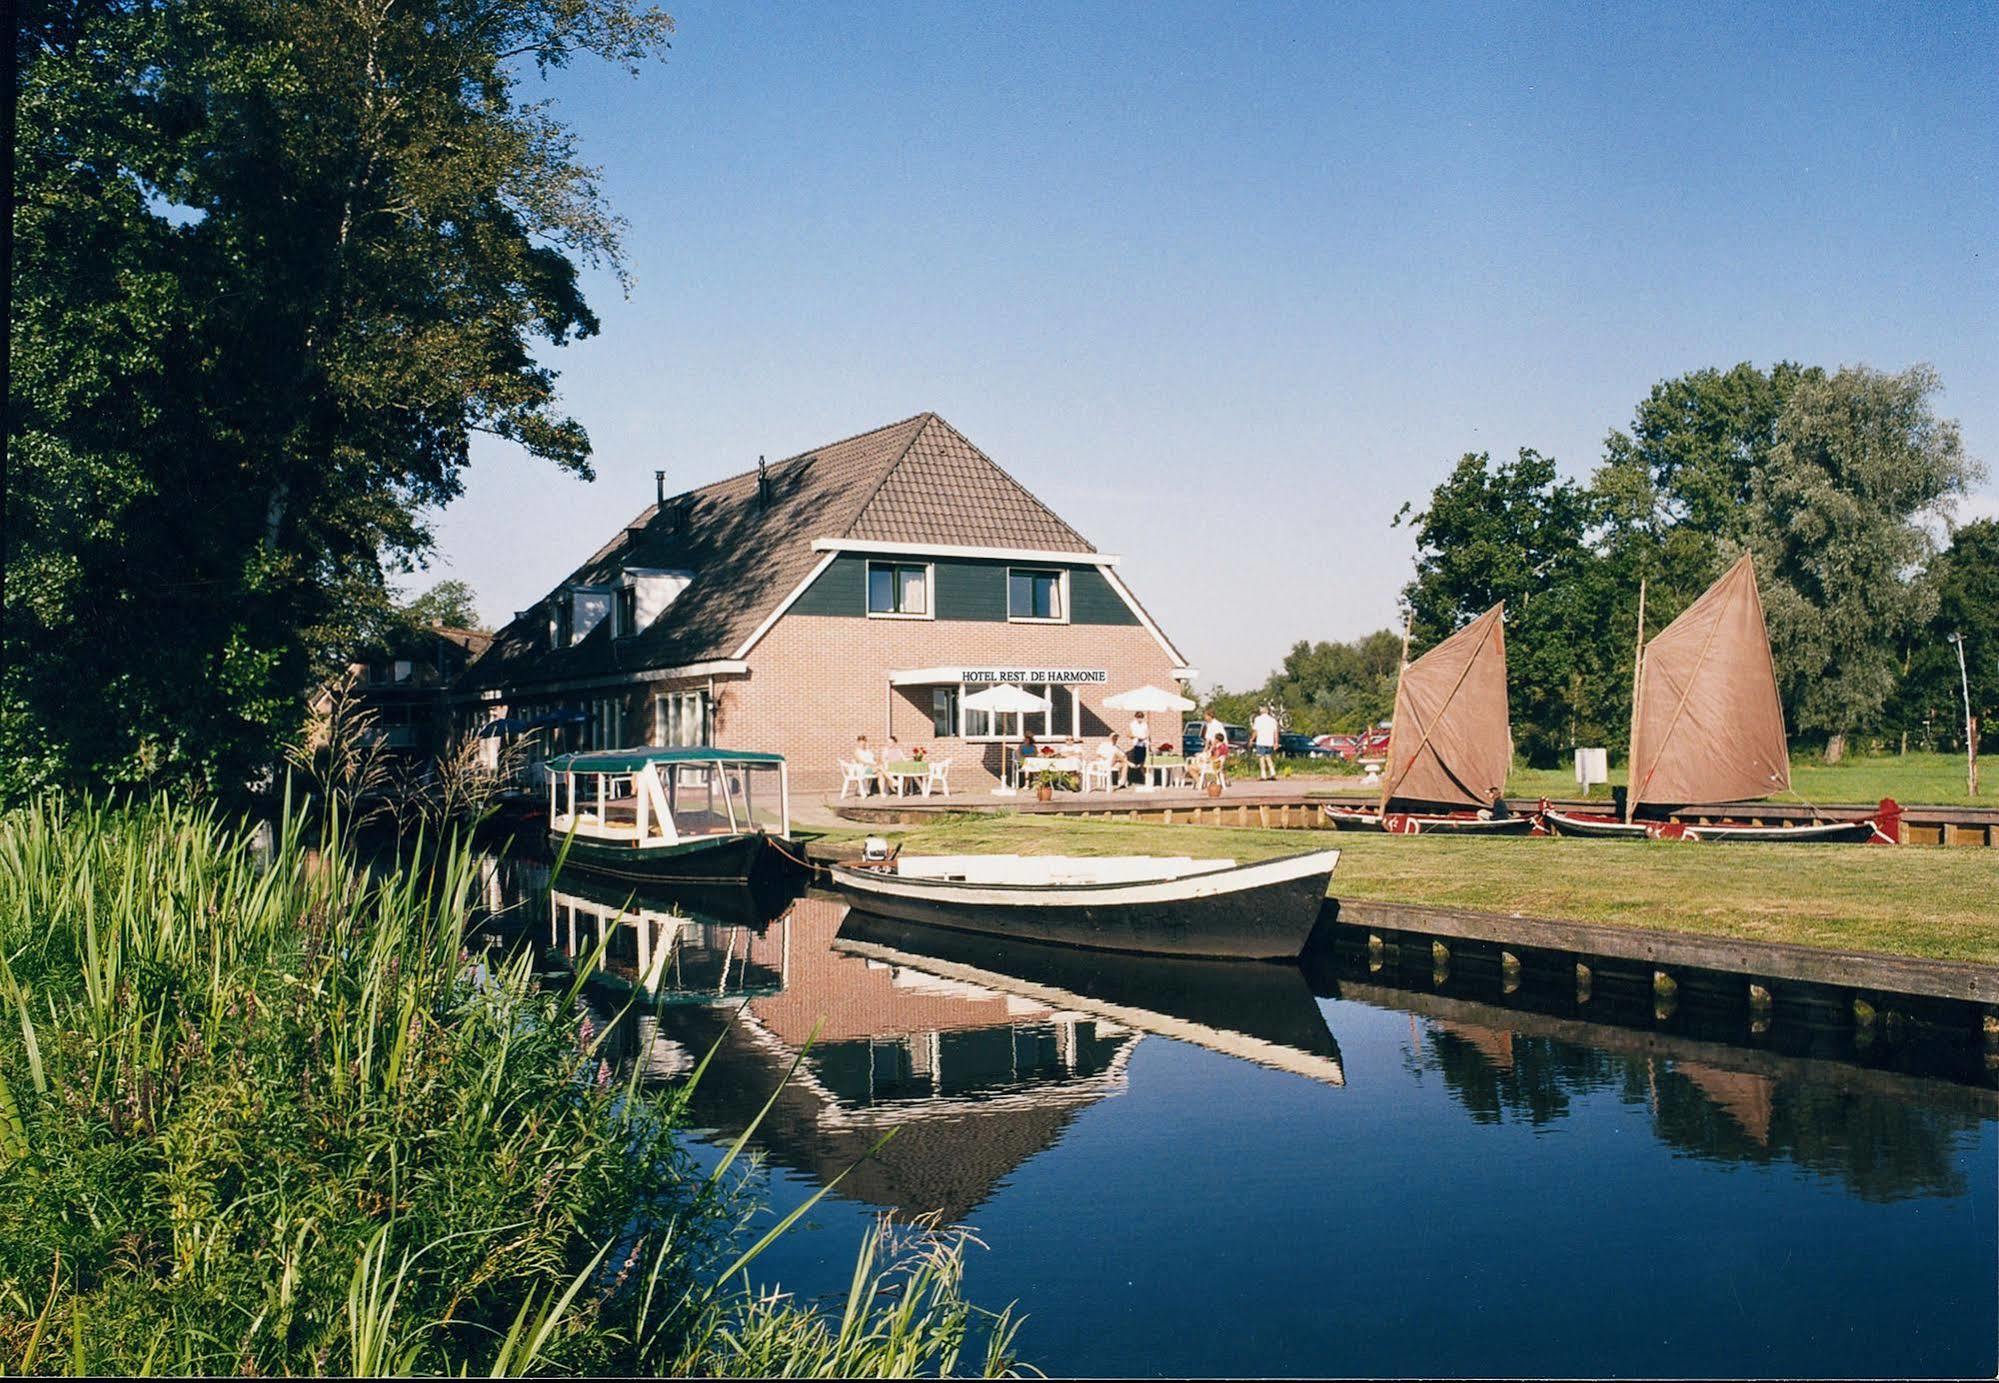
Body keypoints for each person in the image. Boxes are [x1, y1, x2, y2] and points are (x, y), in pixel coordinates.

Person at [1252, 705, 1280, 781]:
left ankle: (1263, 774)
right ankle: (1272, 772)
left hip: (1261, 741)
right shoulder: (1273, 720)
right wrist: (1276, 742)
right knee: (1268, 757)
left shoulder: (1258, 719)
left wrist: (1252, 739)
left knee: (1261, 758)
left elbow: (1255, 731)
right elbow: (1276, 732)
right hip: (1270, 741)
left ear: (1261, 711)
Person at [1127, 711, 1150, 778]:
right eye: (1138, 717)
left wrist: (1145, 737)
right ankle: (1142, 775)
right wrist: (1136, 737)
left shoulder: (1145, 724)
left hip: (1144, 744)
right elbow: (1129, 734)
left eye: (1141, 717)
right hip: (1136, 744)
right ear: (1136, 717)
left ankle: (1146, 777)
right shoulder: (1132, 724)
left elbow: (1147, 733)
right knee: (1138, 762)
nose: (1140, 719)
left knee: (1144, 762)